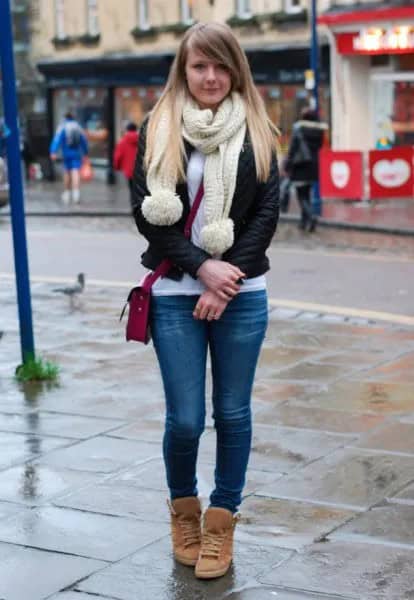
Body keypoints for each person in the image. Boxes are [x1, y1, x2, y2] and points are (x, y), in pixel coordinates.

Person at [132, 22, 279, 580]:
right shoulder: (160, 127)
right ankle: (183, 513)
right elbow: (145, 214)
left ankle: (222, 523)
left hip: (242, 294)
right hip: (174, 295)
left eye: (221, 66)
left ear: (235, 69)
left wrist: (227, 279)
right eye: (200, 66)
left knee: (234, 413)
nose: (211, 77)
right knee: (187, 420)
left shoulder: (260, 127)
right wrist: (202, 267)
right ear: (184, 70)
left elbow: (267, 213)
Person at [285, 107, 327, 232]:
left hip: (300, 165)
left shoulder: (298, 128)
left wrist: (288, 164)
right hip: (313, 165)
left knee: (301, 195)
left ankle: (311, 216)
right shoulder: (319, 130)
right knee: (307, 194)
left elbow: (293, 148)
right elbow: (319, 146)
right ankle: (304, 222)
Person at [49, 112, 88, 204]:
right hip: (77, 153)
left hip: (66, 153)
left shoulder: (63, 126)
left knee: (67, 172)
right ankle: (76, 194)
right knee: (76, 172)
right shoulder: (78, 126)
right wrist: (85, 152)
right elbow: (84, 141)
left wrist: (53, 151)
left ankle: (67, 193)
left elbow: (57, 139)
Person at [113, 122, 139, 209]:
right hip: (141, 170)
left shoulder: (122, 142)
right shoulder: (142, 139)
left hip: (129, 171)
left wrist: (117, 167)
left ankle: (134, 206)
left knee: (132, 189)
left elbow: (118, 157)